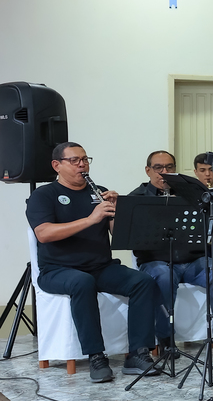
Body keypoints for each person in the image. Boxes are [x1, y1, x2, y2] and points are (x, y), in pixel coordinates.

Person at [27, 142, 159, 382]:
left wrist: (118, 211)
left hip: (100, 267)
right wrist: (90, 219)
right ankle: (96, 356)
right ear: (57, 165)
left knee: (143, 282)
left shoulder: (98, 191)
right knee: (82, 282)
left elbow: (118, 235)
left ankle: (138, 353)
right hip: (57, 270)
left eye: (85, 159)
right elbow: (44, 233)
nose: (82, 165)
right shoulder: (44, 195)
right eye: (75, 160)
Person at [128, 150, 213, 362]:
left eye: (169, 167)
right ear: (148, 170)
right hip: (157, 261)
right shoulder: (137, 198)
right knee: (163, 277)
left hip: (192, 260)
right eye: (158, 168)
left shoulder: (189, 194)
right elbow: (133, 238)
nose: (164, 172)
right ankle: (166, 339)